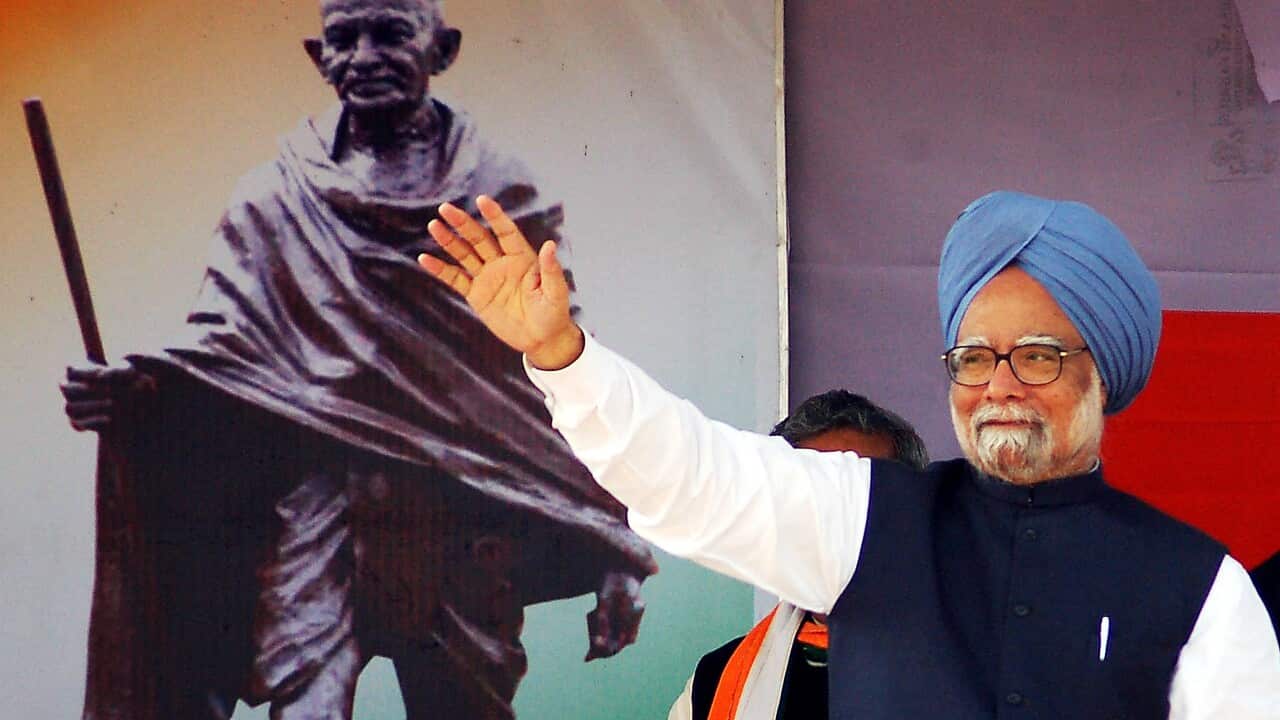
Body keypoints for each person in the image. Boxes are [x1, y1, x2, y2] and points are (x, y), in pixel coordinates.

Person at [421, 190, 1280, 719]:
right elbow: (692, 477)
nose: (1000, 385)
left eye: (1037, 356)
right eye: (974, 357)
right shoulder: (866, 516)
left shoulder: (1201, 588)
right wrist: (562, 356)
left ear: (1101, 373)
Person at [59, 2, 656, 719]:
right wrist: (140, 392)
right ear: (320, 58)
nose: (366, 56)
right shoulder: (273, 201)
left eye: (391, 33)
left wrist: (614, 542)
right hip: (319, 509)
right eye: (344, 38)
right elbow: (223, 360)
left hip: (462, 516)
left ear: (442, 49)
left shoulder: (499, 191)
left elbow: (554, 366)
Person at [668, 389, 929, 720]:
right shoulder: (713, 685)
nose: (835, 531)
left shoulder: (978, 663)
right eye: (810, 508)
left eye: (859, 505)